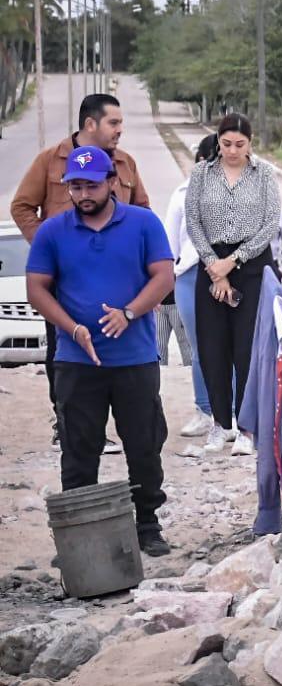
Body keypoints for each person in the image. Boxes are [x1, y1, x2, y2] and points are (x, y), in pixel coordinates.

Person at [24, 145, 175, 556]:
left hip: (135, 358)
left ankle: (147, 523)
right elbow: (36, 287)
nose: (83, 194)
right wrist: (71, 328)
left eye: (91, 185)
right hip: (76, 361)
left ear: (112, 183)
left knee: (143, 444)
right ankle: (79, 534)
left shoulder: (143, 224)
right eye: (75, 186)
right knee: (78, 448)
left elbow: (163, 277)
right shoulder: (53, 231)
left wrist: (129, 313)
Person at [10, 93, 150, 453]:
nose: (120, 130)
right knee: (66, 350)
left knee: (124, 353)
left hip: (118, 280)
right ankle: (69, 423)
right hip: (67, 282)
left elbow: (143, 210)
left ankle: (120, 423)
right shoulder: (50, 161)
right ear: (91, 124)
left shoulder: (126, 164)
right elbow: (22, 206)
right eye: (113, 123)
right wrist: (49, 248)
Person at [186, 114, 282, 457]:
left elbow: (270, 223)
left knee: (247, 349)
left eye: (239, 144)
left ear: (250, 143)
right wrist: (215, 265)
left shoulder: (264, 174)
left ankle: (245, 427)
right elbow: (193, 220)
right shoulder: (201, 173)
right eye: (226, 144)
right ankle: (219, 424)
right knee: (212, 348)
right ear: (218, 141)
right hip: (211, 264)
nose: (232, 151)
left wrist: (235, 261)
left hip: (251, 265)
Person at [164, 135, 218, 439]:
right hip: (190, 277)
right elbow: (170, 243)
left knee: (232, 347)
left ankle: (236, 414)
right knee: (201, 348)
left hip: (229, 275)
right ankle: (204, 410)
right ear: (200, 162)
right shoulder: (182, 194)